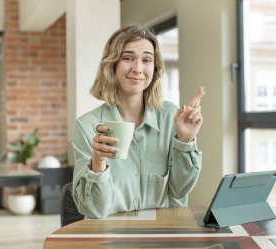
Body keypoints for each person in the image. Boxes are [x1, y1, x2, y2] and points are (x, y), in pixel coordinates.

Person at [72, 25, 205, 218]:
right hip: (109, 237)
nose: (138, 68)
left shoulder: (171, 117)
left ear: (155, 68)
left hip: (162, 235)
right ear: (112, 64)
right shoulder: (87, 127)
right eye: (128, 58)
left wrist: (185, 141)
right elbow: (94, 210)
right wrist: (98, 163)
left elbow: (180, 191)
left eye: (147, 60)